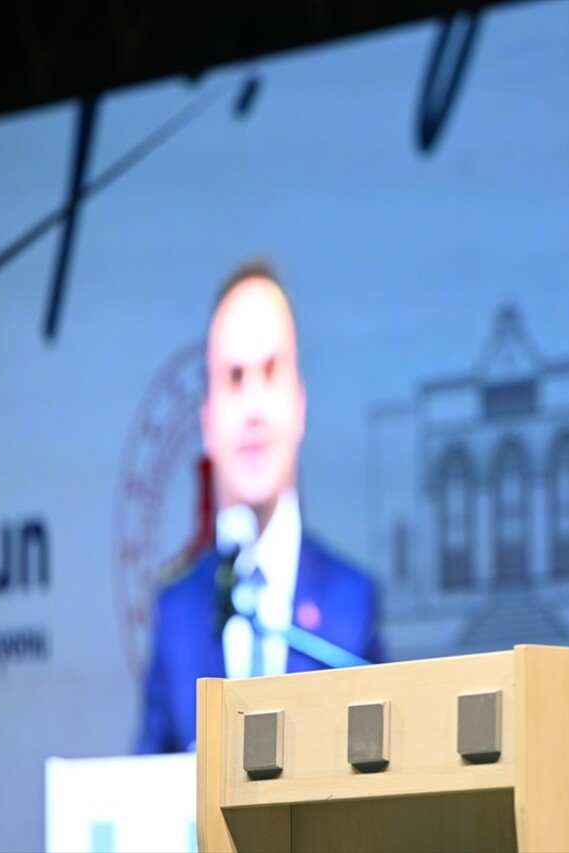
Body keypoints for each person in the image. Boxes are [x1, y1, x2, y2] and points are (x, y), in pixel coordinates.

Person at [136, 260, 383, 755]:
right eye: (233, 378)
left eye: (269, 373)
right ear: (206, 421)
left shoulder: (352, 603)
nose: (252, 407)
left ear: (299, 404)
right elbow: (142, 794)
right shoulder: (178, 611)